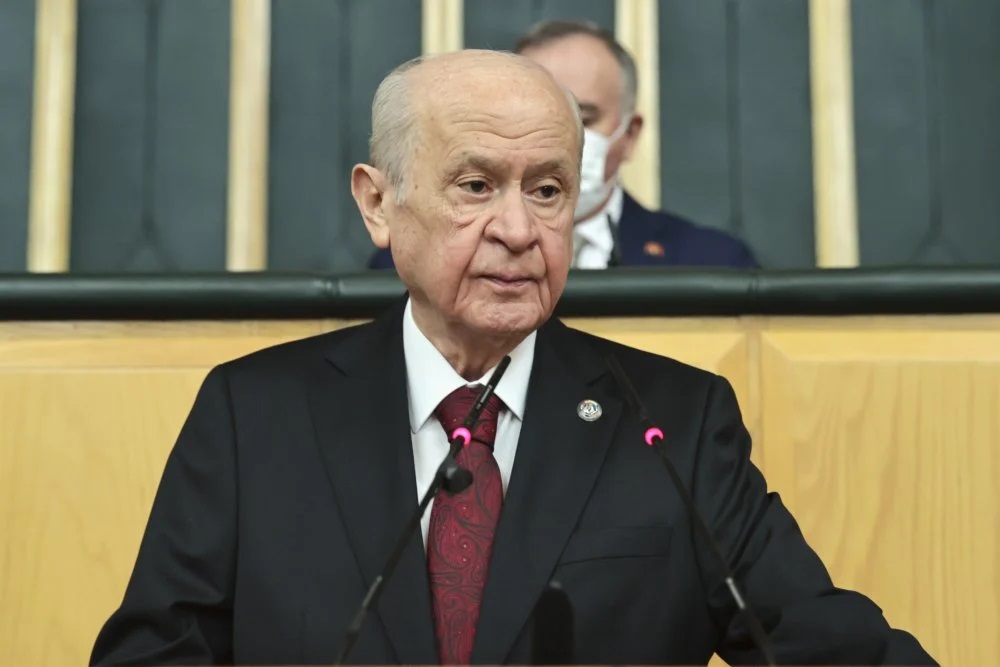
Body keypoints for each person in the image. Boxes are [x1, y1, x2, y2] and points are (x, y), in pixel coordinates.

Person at [91, 50, 933, 665]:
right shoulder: (254, 415)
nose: (519, 229)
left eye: (547, 190)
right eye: (476, 185)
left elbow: (827, 644)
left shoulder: (675, 422)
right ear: (378, 203)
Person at [369, 20, 759, 272]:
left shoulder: (712, 264)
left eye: (584, 119)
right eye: (533, 121)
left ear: (630, 135)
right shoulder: (405, 261)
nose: (561, 142)